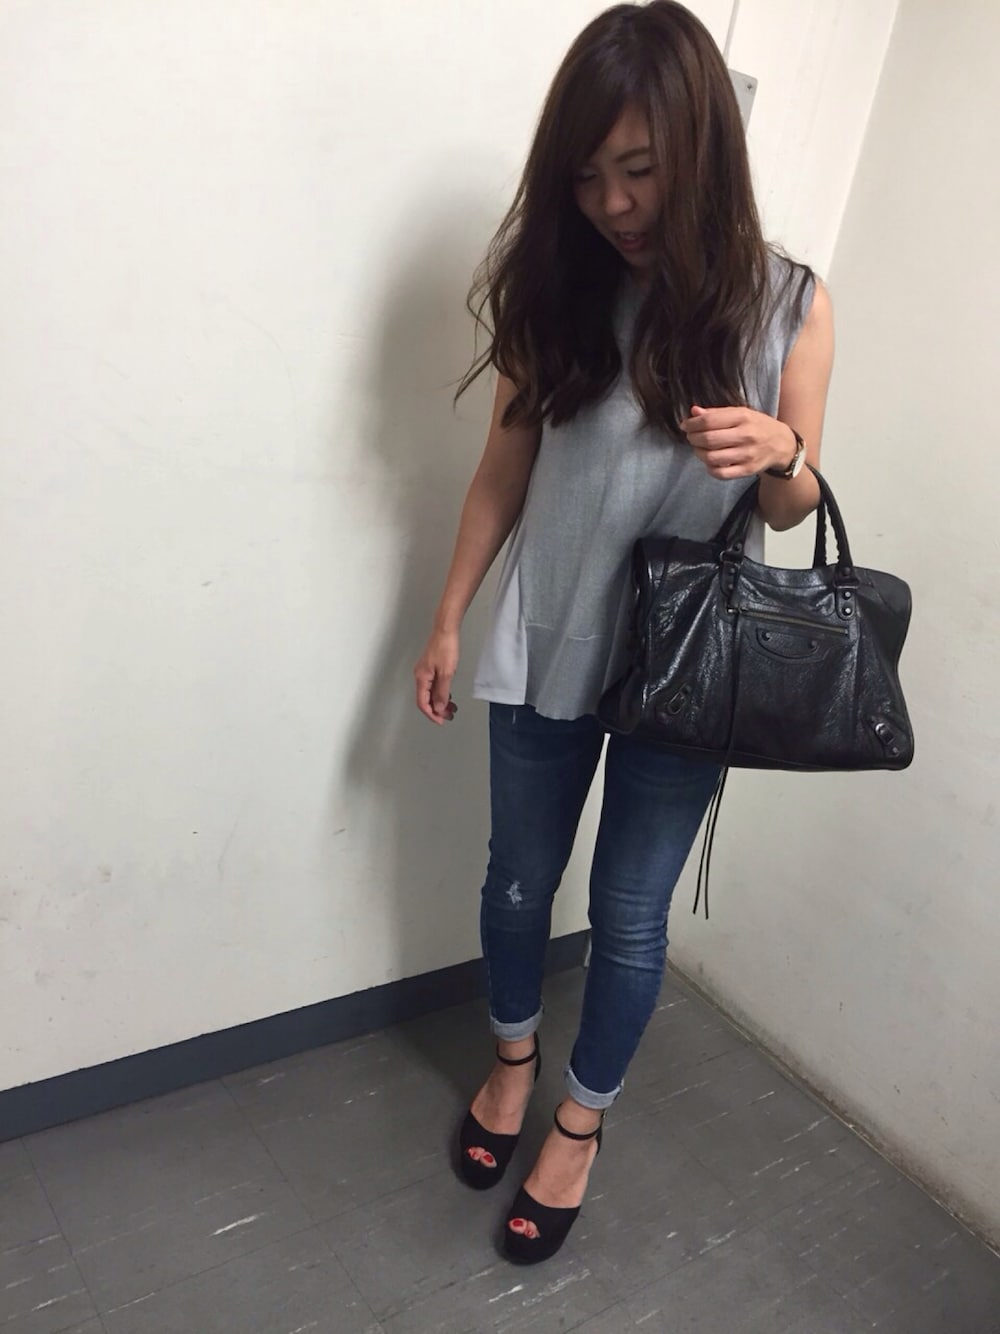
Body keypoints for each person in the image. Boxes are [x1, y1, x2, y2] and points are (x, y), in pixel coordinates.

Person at [414, 0, 834, 1265]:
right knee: (515, 879)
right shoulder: (561, 288)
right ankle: (511, 1063)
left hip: (683, 664)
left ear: (700, 150)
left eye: (639, 169)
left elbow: (792, 505)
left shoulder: (791, 304)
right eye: (588, 174)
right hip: (546, 628)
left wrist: (782, 449)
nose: (612, 202)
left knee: (629, 912)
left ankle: (579, 1123)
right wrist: (447, 617)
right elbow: (501, 469)